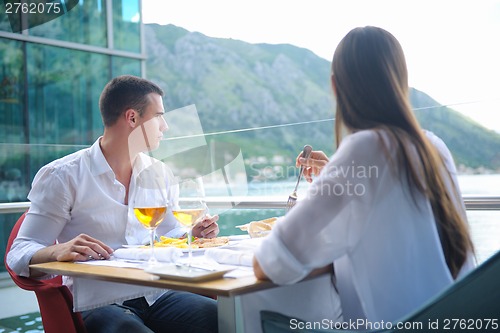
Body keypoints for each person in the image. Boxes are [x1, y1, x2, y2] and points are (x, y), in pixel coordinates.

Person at [253, 26, 476, 325]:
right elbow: (388, 214)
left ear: (335, 87)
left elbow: (269, 262)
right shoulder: (433, 146)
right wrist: (334, 171)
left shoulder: (363, 149)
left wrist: (341, 171)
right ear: (401, 82)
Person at [7, 75, 219, 333]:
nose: (165, 126)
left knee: (225, 318)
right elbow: (18, 253)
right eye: (159, 116)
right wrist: (57, 250)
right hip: (100, 301)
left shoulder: (160, 172)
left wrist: (193, 234)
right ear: (132, 118)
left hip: (157, 293)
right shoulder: (62, 176)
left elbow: (169, 234)